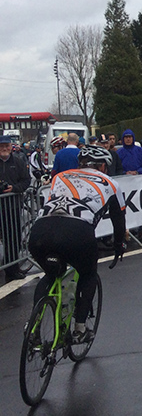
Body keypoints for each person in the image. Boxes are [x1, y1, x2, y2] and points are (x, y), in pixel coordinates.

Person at [27, 145, 126, 341]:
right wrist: (118, 246)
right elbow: (118, 219)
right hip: (77, 232)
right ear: (103, 166)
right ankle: (80, 329)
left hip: (40, 230)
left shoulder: (60, 177)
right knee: (88, 275)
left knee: (50, 274)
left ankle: (32, 325)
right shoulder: (112, 183)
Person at [1, 134, 31, 282]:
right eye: (2, 147)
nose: (5, 149)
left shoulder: (18, 162)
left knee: (13, 239)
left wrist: (14, 188)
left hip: (12, 207)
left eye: (7, 146)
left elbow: (26, 181)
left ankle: (12, 269)